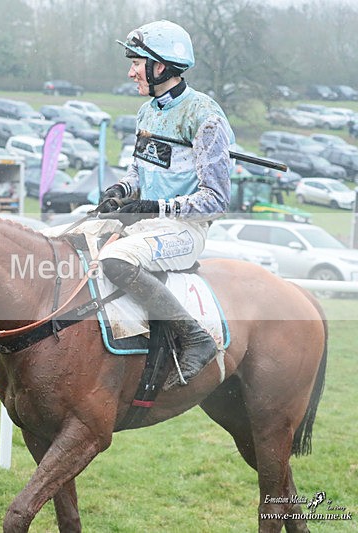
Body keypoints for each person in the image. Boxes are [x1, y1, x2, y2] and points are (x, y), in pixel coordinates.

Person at [97, 20, 234, 388]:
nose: (130, 72)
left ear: (160, 66)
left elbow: (216, 200)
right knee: (72, 238)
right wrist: (121, 192)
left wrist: (157, 208)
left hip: (185, 231)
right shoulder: (147, 112)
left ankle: (195, 338)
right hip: (146, 225)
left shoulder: (205, 117)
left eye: (136, 63)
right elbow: (139, 176)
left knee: (114, 260)